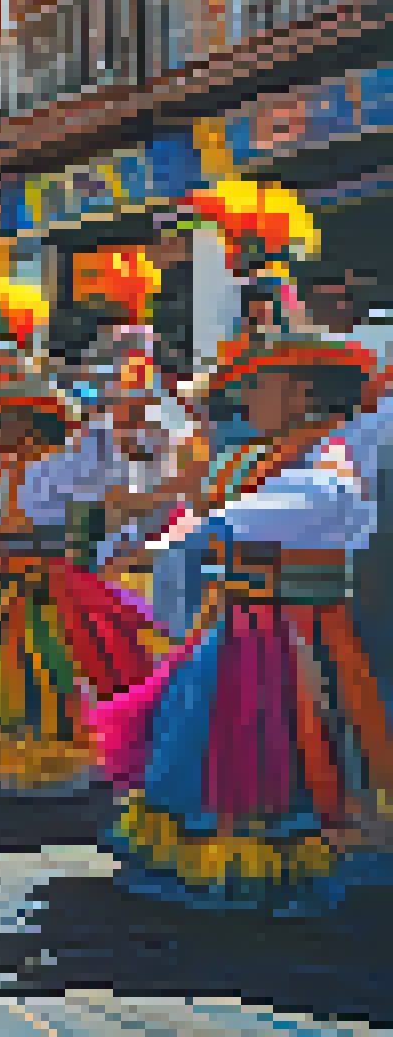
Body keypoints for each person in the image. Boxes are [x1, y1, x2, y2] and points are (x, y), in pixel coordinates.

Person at [94, 335, 393, 915]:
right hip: (239, 624)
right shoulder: (261, 455)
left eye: (261, 385)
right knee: (217, 735)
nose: (246, 396)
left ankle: (271, 858)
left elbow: (305, 510)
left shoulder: (331, 459)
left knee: (277, 739)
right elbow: (207, 517)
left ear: (304, 396)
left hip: (293, 636)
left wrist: (195, 535)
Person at [0, 283, 166, 795]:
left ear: (32, 425)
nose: (0, 432)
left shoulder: (51, 467)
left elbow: (101, 482)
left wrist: (111, 420)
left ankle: (61, 756)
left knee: (51, 668)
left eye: (9, 422)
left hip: (47, 585)